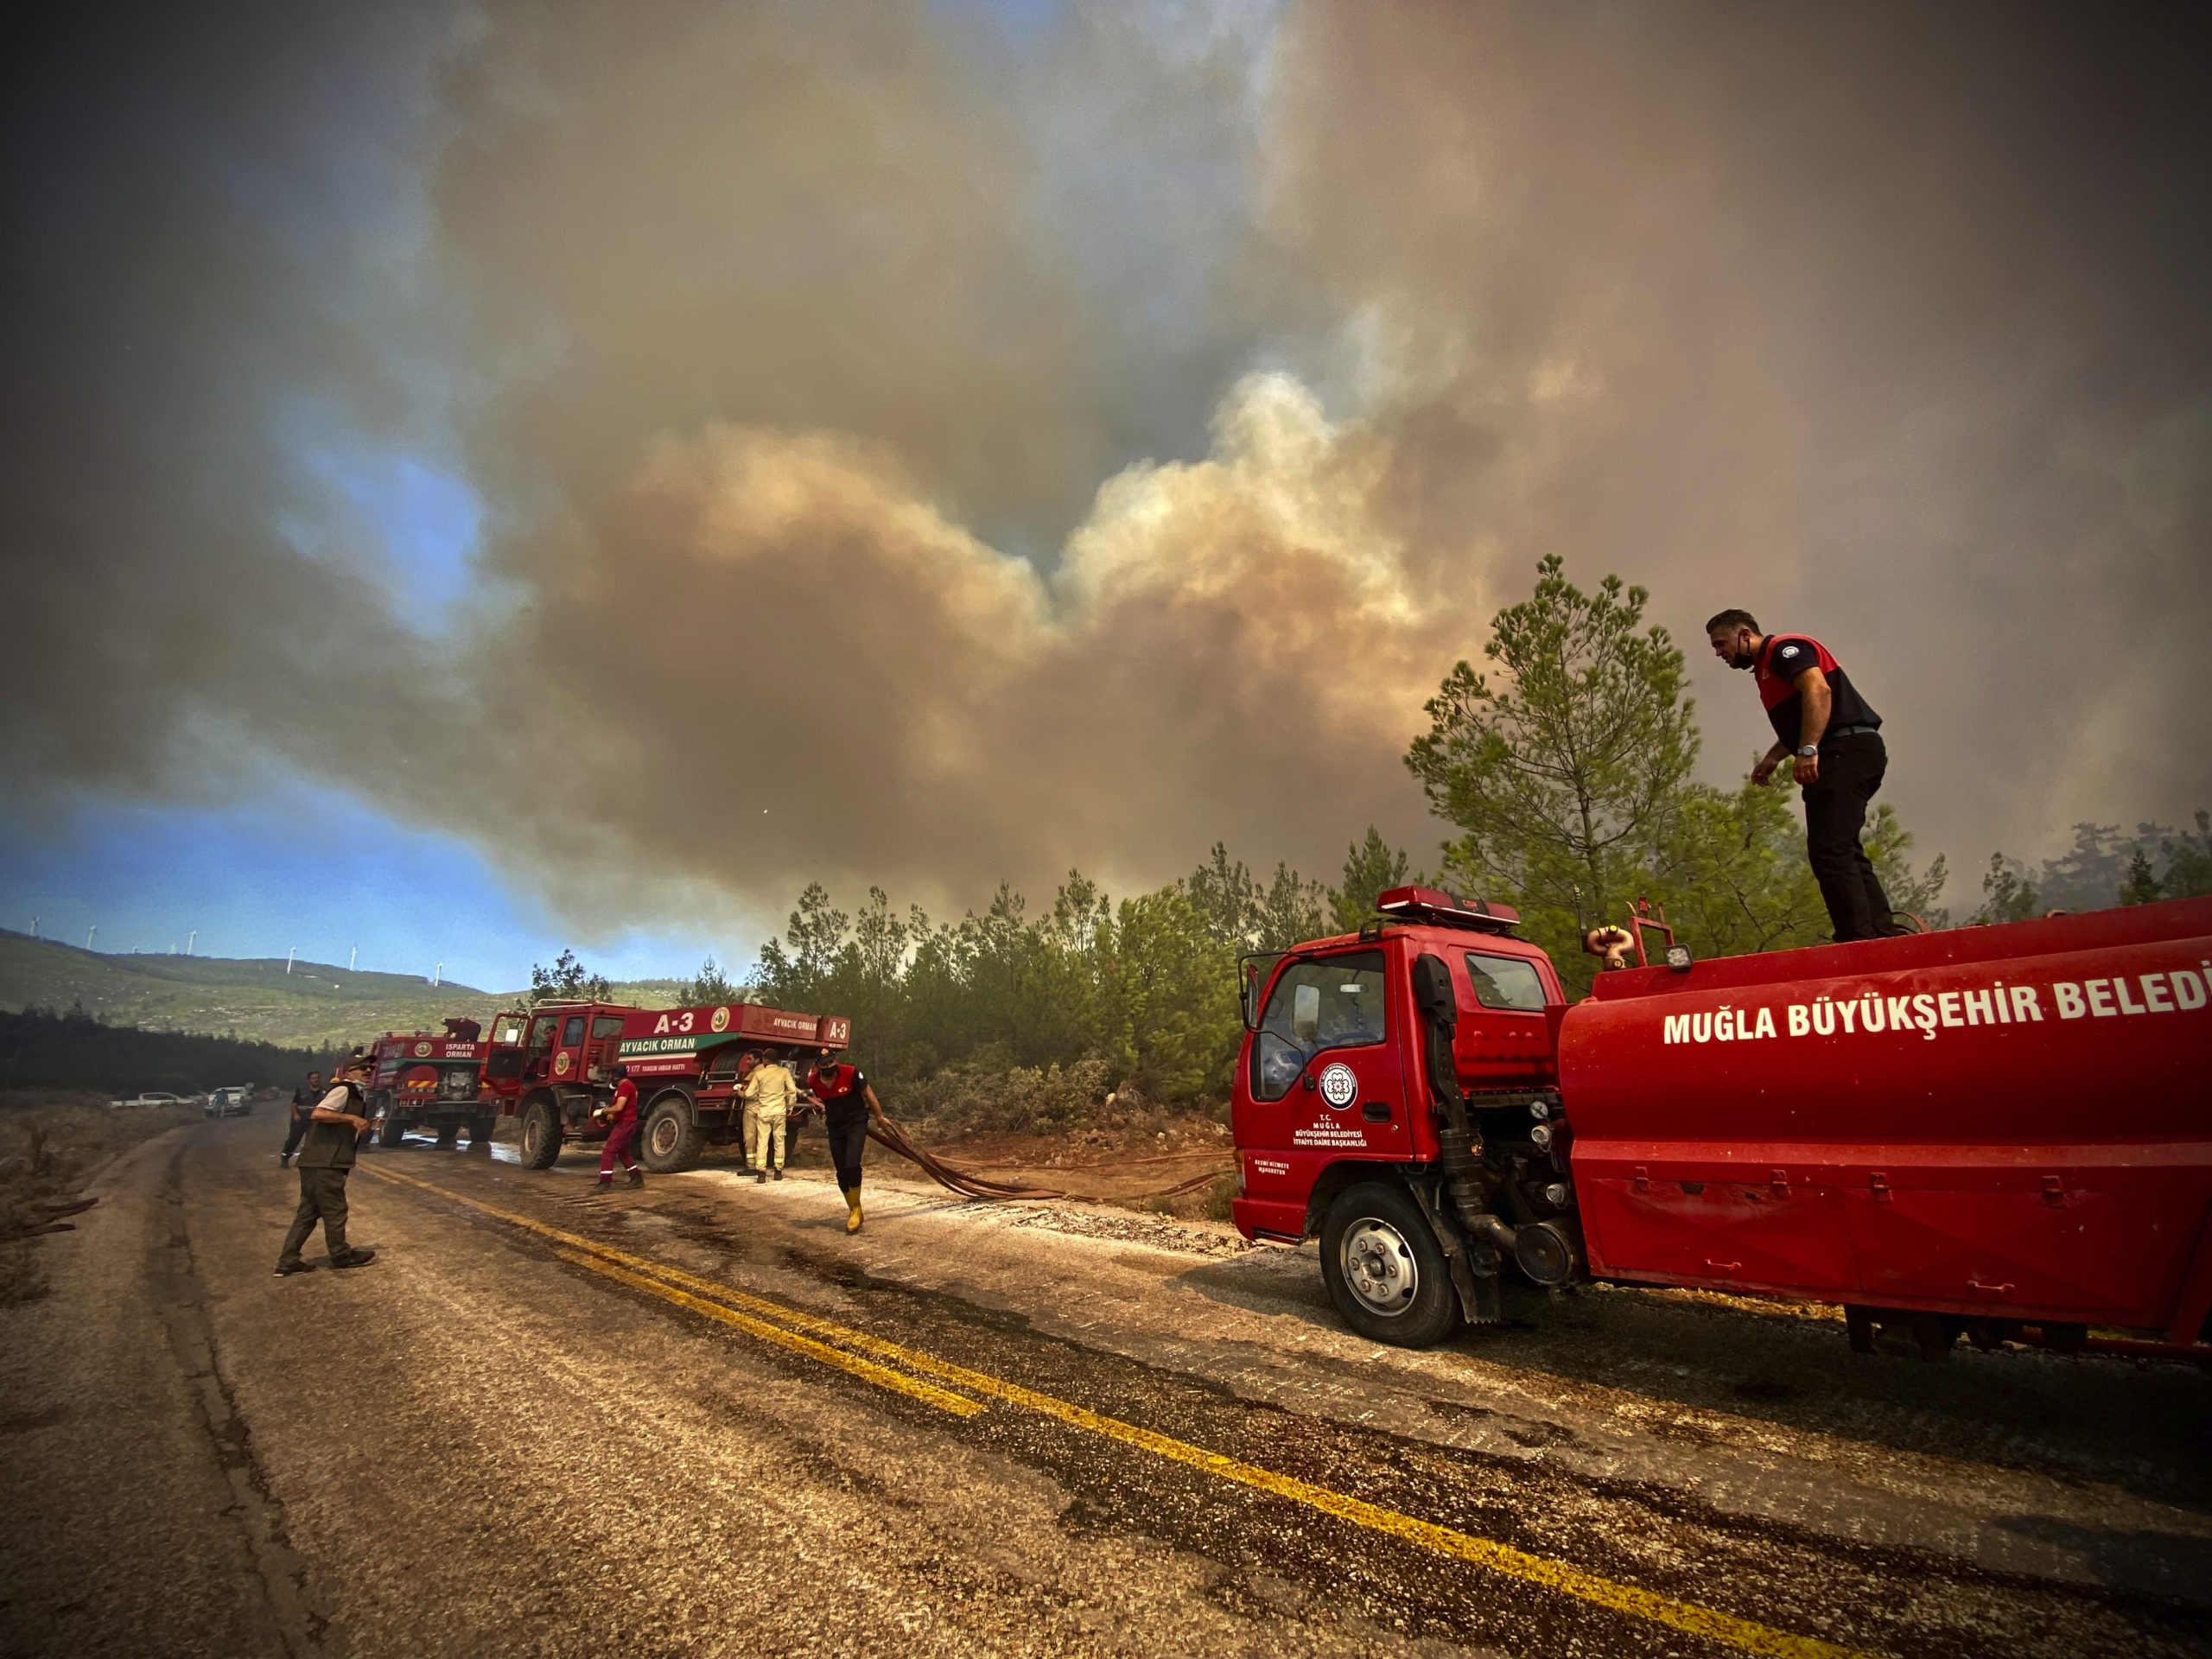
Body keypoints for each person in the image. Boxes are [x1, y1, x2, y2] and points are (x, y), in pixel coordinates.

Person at [1707, 608, 1899, 944]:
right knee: (1842, 846)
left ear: (1744, 634)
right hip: (1846, 748)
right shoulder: (1766, 669)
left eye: (1721, 644)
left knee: (1830, 849)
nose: (1720, 653)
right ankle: (1881, 932)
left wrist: (1808, 749)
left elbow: (1818, 692)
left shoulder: (1785, 650)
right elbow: (1803, 715)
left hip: (1846, 748)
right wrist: (1773, 757)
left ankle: (1858, 938)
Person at [274, 1054, 378, 1275]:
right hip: (325, 1162)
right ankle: (341, 1255)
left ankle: (287, 1261)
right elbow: (318, 1113)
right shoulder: (344, 1089)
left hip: (317, 1161)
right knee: (335, 1210)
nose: (368, 1071)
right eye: (362, 1068)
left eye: (370, 1068)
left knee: (308, 1214)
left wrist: (361, 1124)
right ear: (348, 1073)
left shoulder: (355, 1094)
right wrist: (352, 1119)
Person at [807, 1050, 885, 1233]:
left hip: (856, 1122)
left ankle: (856, 1210)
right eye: (824, 1064)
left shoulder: (851, 1073)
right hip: (835, 1127)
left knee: (852, 1165)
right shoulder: (813, 1081)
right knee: (841, 1172)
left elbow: (869, 1094)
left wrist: (880, 1117)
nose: (828, 1067)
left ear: (836, 1061)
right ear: (817, 1066)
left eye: (831, 1062)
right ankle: (853, 1208)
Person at [741, 1049, 801, 1184]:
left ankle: (761, 1173)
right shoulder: (784, 1072)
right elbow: (791, 1091)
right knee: (779, 1141)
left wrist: (741, 1092)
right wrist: (789, 1107)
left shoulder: (760, 1074)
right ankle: (778, 1171)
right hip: (779, 1112)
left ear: (764, 1060)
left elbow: (749, 1094)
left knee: (762, 1142)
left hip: (764, 1112)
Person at [594, 1065, 642, 1191]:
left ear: (616, 1074)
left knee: (609, 1151)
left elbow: (619, 1107)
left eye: (611, 1073)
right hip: (627, 1122)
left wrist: (603, 1111)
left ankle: (605, 1182)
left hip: (625, 1123)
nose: (609, 1076)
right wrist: (612, 1115)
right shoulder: (626, 1085)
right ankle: (636, 1177)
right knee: (623, 1151)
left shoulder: (625, 1086)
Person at [280, 1070, 322, 1167]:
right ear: (309, 1080)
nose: (316, 1080)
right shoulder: (301, 1090)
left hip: (315, 1119)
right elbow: (294, 1104)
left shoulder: (324, 1091)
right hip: (301, 1118)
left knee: (314, 1140)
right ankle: (285, 1156)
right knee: (294, 1139)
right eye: (313, 1078)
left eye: (318, 1078)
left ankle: (310, 1161)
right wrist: (295, 1115)